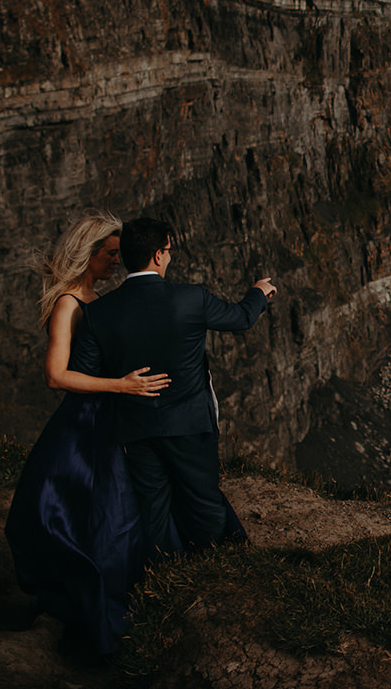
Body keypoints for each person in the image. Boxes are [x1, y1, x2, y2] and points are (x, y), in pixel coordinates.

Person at [5, 211, 172, 656]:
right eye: (111, 254)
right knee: (103, 519)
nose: (118, 261)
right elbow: (56, 376)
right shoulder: (68, 303)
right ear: (88, 254)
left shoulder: (97, 298)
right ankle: (98, 609)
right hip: (87, 423)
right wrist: (121, 385)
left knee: (111, 517)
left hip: (110, 418)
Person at [72, 215, 277, 552]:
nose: (169, 257)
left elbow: (81, 373)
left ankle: (162, 575)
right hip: (189, 423)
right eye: (167, 250)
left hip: (135, 426)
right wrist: (258, 292)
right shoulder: (190, 298)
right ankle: (213, 568)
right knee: (203, 499)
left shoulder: (99, 313)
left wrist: (123, 384)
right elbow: (240, 318)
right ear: (156, 255)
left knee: (152, 508)